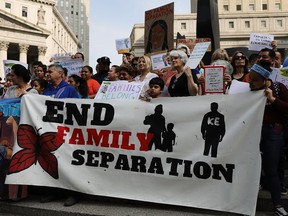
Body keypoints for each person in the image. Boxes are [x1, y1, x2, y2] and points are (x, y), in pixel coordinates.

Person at [249, 60, 288, 216]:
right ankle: (246, 205)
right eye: (250, 78)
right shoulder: (246, 91)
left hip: (272, 133)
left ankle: (277, 204)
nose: (250, 83)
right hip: (251, 134)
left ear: (265, 80)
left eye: (254, 80)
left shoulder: (278, 88)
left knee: (271, 170)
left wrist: (273, 100)